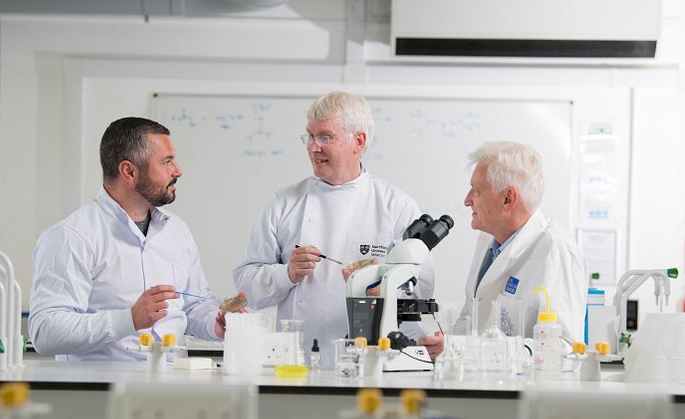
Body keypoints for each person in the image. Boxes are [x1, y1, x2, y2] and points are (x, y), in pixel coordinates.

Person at [232, 91, 440, 367]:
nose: (313, 147)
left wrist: (382, 287)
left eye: (325, 137)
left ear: (359, 141)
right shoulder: (283, 204)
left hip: (374, 364)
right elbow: (246, 288)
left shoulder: (396, 205)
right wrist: (287, 273)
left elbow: (422, 289)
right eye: (310, 136)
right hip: (297, 363)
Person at [29, 117, 231, 361]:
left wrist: (216, 321)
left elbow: (193, 305)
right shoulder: (71, 236)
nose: (178, 171)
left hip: (173, 388)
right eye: (167, 162)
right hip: (100, 393)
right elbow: (46, 331)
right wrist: (129, 319)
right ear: (129, 171)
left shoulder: (177, 231)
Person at [450, 141, 587, 343]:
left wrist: (479, 349)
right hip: (482, 373)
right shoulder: (487, 239)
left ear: (508, 198)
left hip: (525, 375)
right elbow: (471, 319)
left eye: (477, 191)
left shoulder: (555, 250)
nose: (467, 200)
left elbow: (564, 346)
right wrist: (448, 343)